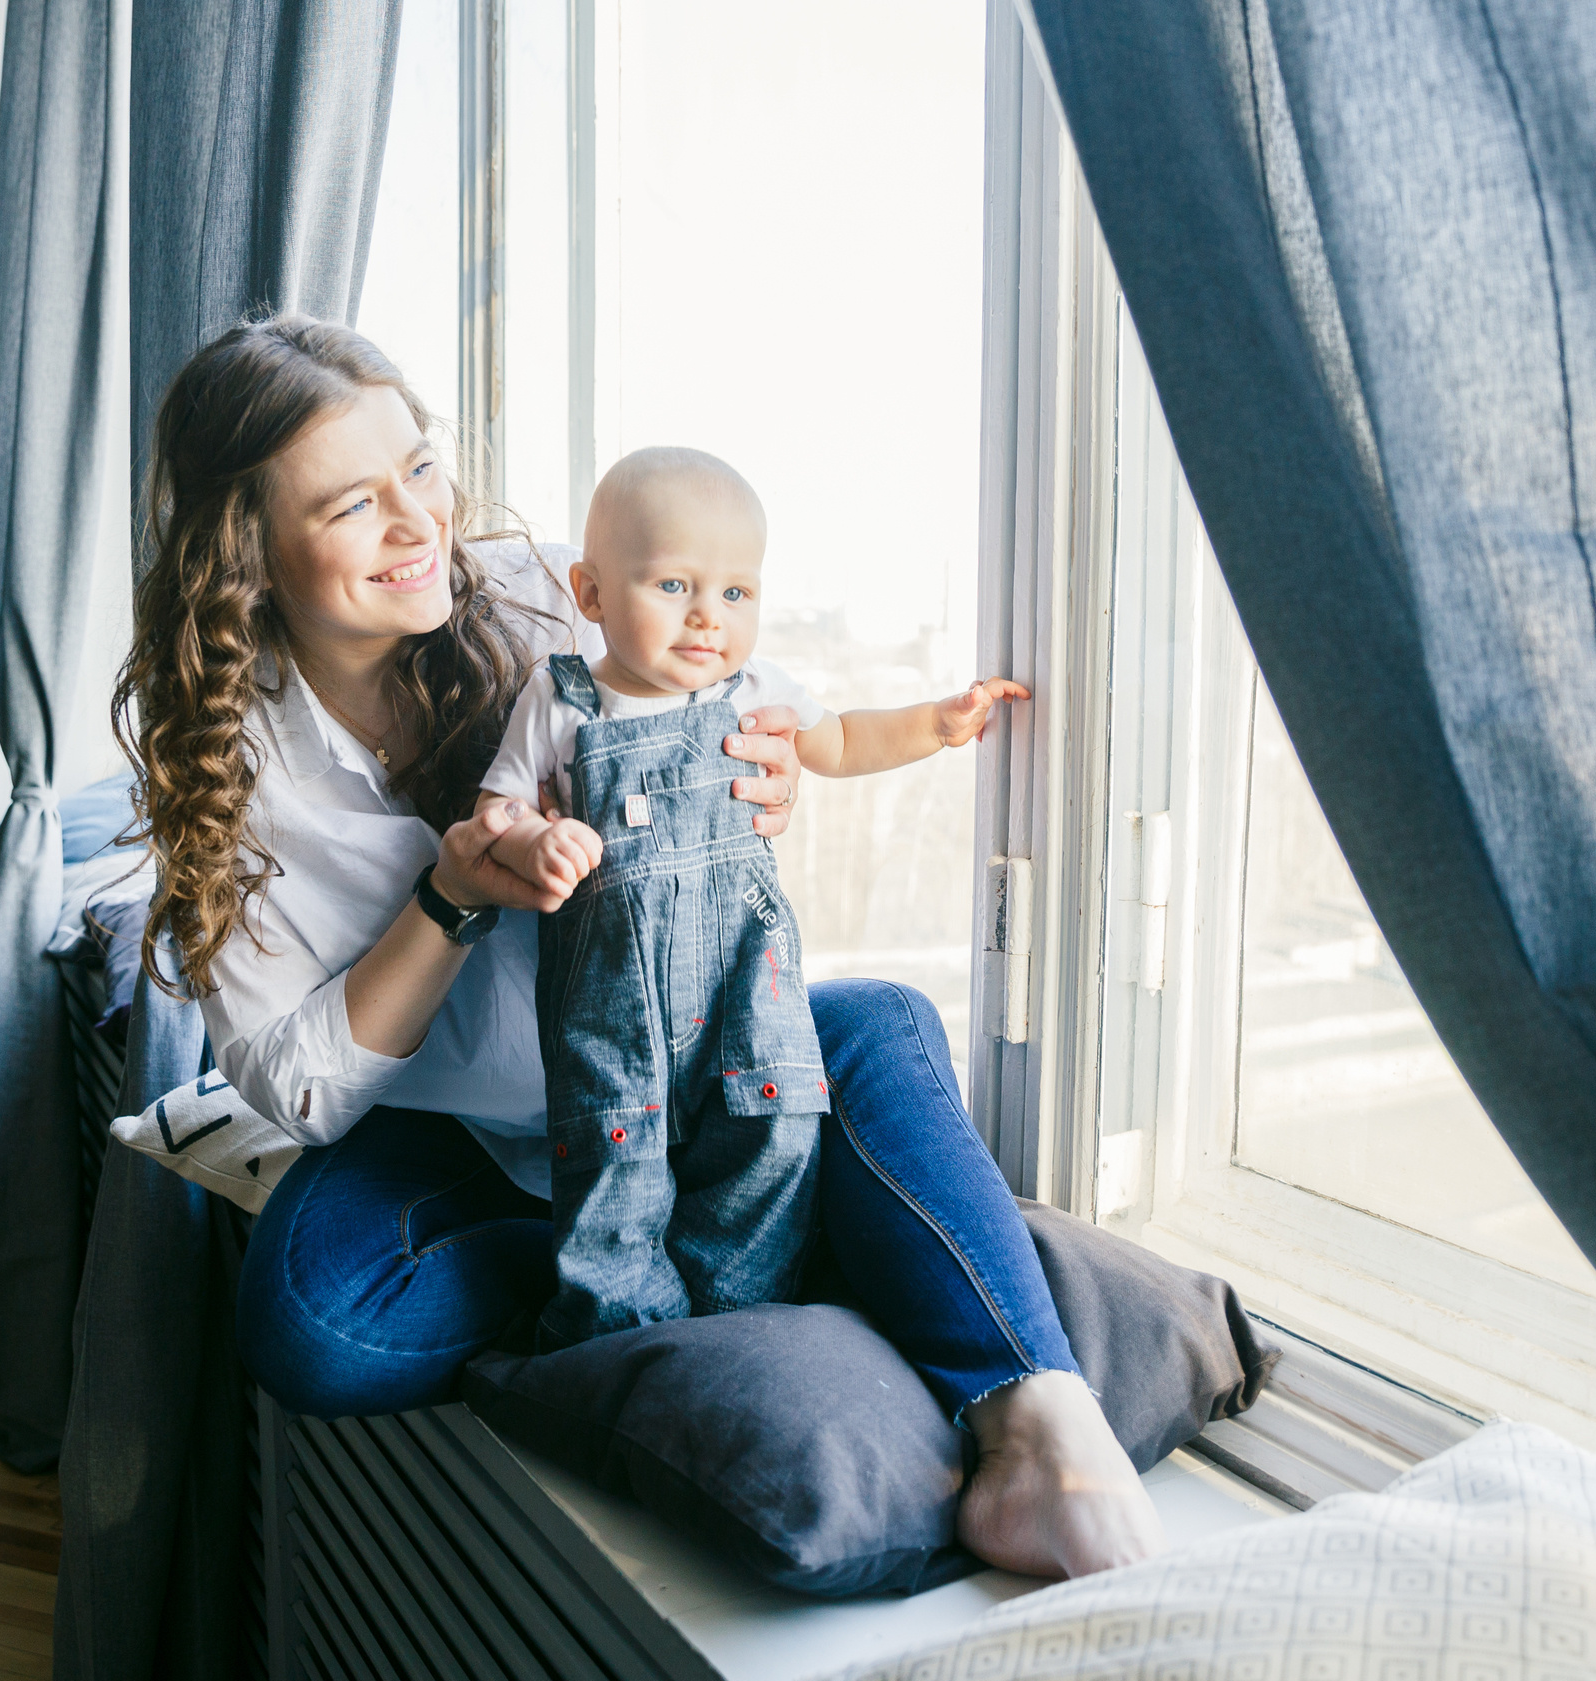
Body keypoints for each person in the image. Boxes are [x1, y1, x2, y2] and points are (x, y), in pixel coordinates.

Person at [114, 313, 1164, 1579]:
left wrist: (762, 779)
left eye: (422, 468)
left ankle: (1041, 1421)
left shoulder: (555, 594)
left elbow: (747, 711)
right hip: (474, 1145)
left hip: (683, 1068)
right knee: (310, 1324)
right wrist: (449, 897)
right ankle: (650, 1253)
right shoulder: (234, 768)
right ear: (249, 552)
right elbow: (298, 1088)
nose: (418, 523)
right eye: (352, 505)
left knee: (880, 1025)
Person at [476, 445, 1030, 1348]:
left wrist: (934, 725)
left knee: (773, 1128)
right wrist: (535, 838)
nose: (708, 618)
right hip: (611, 995)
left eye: (737, 594)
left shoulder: (753, 690)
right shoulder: (564, 698)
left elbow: (841, 741)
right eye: (672, 587)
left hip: (746, 970)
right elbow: (496, 804)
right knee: (615, 1153)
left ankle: (736, 1313)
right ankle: (625, 1335)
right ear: (591, 594)